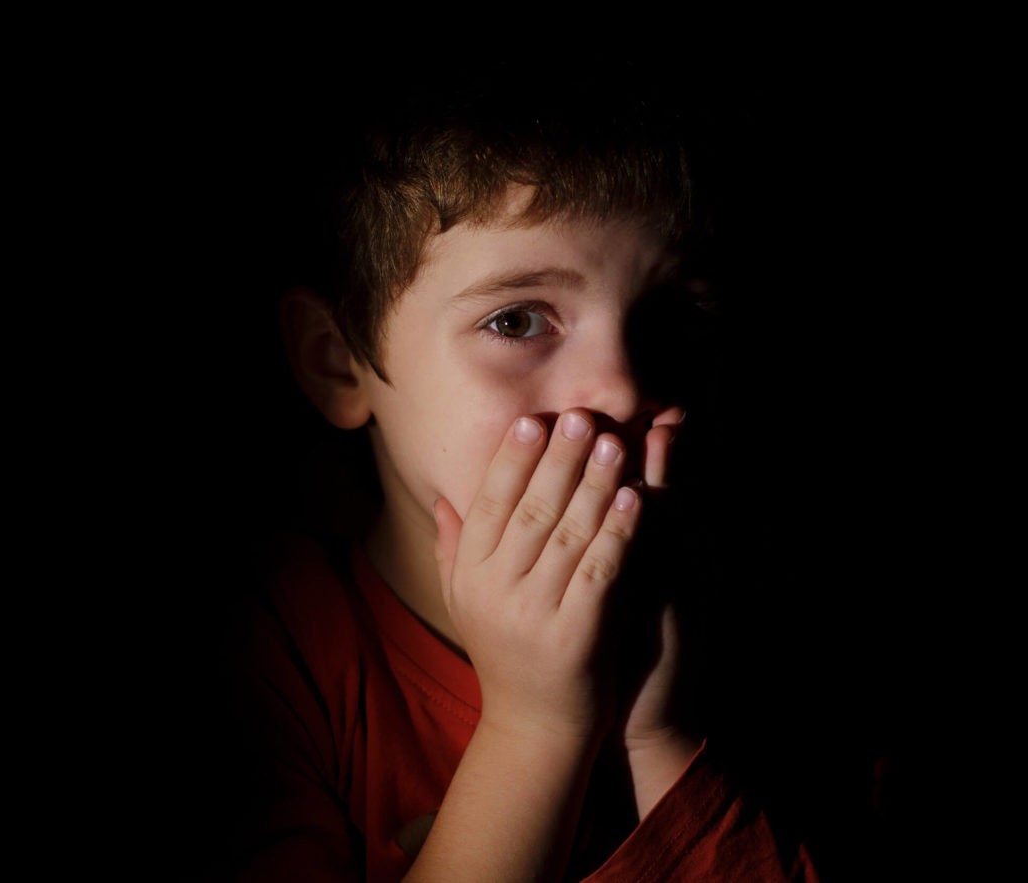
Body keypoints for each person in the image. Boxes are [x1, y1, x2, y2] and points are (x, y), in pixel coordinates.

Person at [219, 60, 839, 882]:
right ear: (338, 365)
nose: (623, 384)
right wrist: (535, 724)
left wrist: (655, 741)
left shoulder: (775, 612)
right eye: (517, 319)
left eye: (671, 315)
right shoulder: (270, 657)